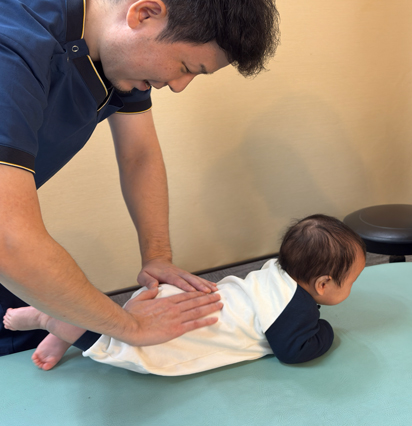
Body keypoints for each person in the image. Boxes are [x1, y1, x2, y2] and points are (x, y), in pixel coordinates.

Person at [0, 0, 280, 355]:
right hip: (9, 236)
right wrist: (132, 327)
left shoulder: (118, 56)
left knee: (34, 326)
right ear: (144, 14)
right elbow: (9, 242)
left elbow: (139, 154)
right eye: (185, 67)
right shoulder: (12, 52)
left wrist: (157, 256)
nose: (179, 86)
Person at [3, 214, 366, 375]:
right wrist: (326, 333)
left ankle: (66, 328)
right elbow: (294, 352)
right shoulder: (296, 309)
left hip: (172, 297)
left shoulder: (276, 269)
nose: (351, 287)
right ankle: (50, 318)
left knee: (117, 320)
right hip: (184, 328)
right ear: (322, 285)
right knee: (121, 347)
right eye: (350, 281)